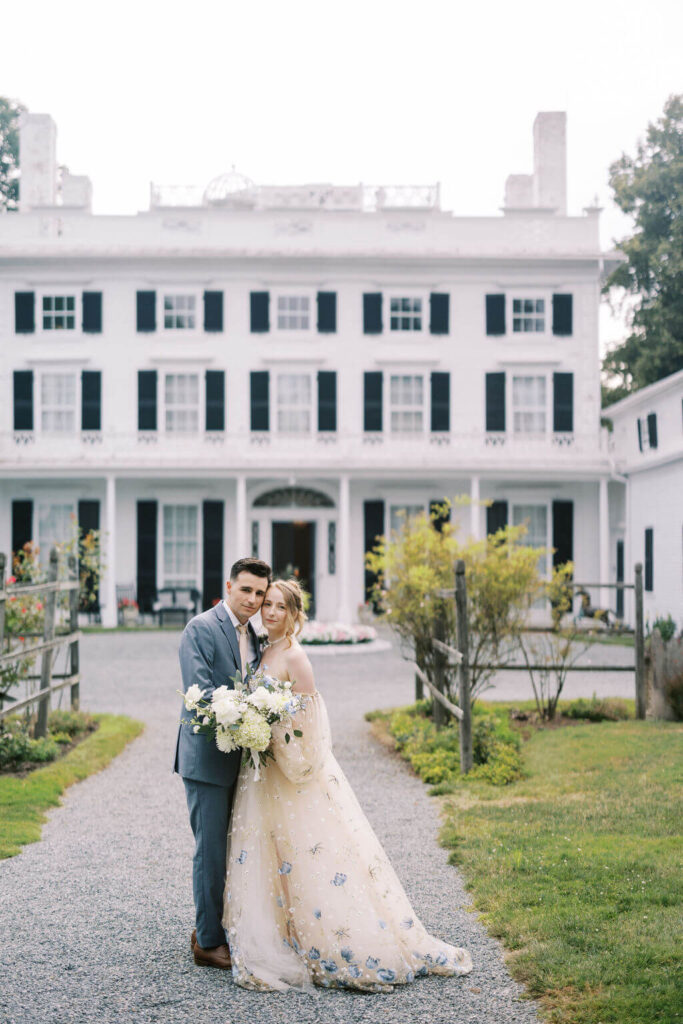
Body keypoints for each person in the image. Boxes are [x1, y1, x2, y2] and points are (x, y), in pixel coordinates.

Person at [223, 578, 473, 992]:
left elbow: (309, 729)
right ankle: (285, 934)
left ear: (295, 614)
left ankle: (331, 939)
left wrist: (267, 736)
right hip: (263, 774)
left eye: (280, 607)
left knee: (309, 855)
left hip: (292, 774)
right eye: (267, 604)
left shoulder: (296, 658)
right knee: (274, 853)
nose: (269, 612)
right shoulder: (264, 649)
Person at [174, 557, 272, 970]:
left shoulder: (257, 634)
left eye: (260, 593)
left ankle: (219, 923)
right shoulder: (200, 628)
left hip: (243, 759)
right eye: (246, 589)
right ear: (228, 587)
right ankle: (208, 942)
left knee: (238, 848)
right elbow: (198, 691)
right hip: (208, 759)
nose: (253, 599)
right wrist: (248, 712)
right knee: (211, 850)